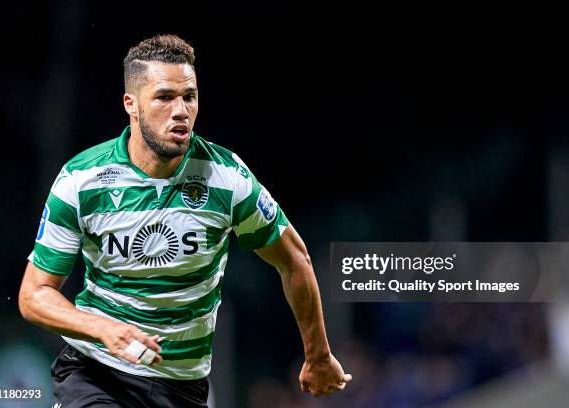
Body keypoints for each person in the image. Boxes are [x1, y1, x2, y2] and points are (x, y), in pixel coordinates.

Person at [18, 34, 352, 407]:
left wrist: (318, 355)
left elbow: (295, 261)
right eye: (164, 97)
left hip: (182, 385)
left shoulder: (226, 178)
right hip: (97, 372)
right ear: (132, 104)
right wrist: (103, 329)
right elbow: (34, 295)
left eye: (189, 97)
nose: (180, 110)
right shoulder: (81, 181)